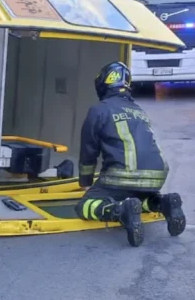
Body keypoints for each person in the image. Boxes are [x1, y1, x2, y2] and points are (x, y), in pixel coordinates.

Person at [74, 61, 186, 247]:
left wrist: (85, 183)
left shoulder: (99, 110)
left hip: (123, 176)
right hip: (156, 177)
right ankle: (164, 203)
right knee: (137, 198)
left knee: (83, 206)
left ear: (104, 82)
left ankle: (120, 212)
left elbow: (89, 150)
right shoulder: (138, 110)